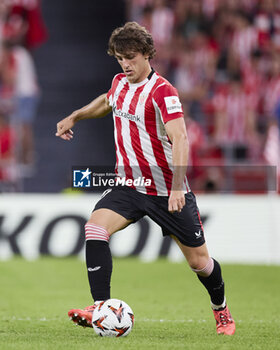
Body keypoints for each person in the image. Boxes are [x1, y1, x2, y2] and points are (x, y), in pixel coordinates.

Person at [56, 22, 235, 336]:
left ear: (148, 54)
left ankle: (221, 311)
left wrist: (178, 186)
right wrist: (75, 115)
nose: (125, 64)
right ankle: (100, 308)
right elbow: (107, 101)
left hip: (167, 189)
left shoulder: (163, 92)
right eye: (120, 58)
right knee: (95, 227)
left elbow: (180, 138)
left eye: (131, 57)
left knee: (200, 263)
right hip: (128, 184)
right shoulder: (119, 82)